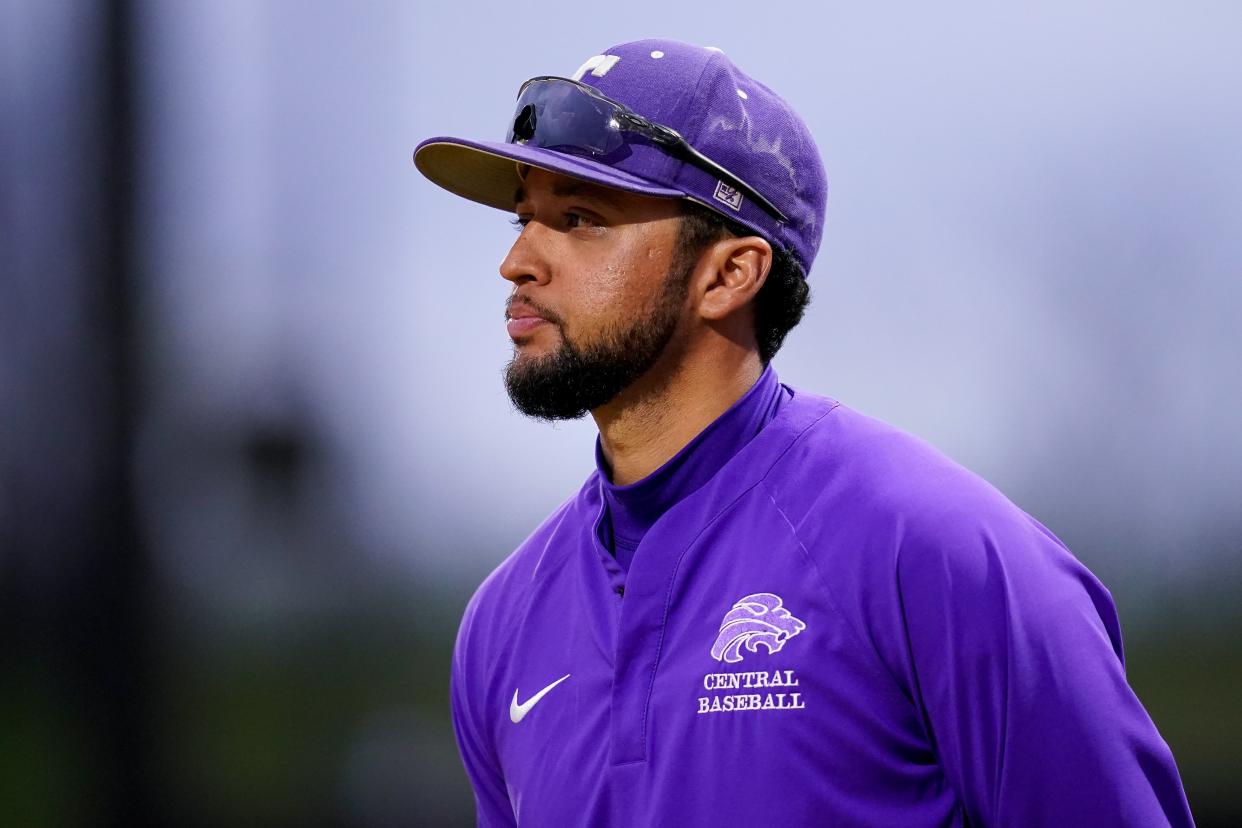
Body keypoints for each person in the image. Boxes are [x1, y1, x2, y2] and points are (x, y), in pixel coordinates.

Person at [413, 38, 1193, 827]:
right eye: (524, 218)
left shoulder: (939, 552)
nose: (517, 261)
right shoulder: (502, 624)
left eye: (580, 219)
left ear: (729, 275)